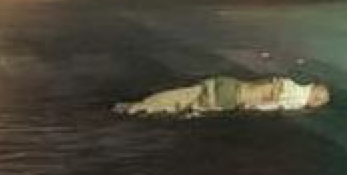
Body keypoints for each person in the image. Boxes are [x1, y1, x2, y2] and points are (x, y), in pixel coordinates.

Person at [114, 76, 330, 117]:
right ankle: (139, 108)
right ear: (314, 99)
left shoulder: (288, 82)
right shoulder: (293, 100)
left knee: (180, 96)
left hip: (230, 85)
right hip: (228, 99)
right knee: (181, 103)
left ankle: (140, 106)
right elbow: (261, 106)